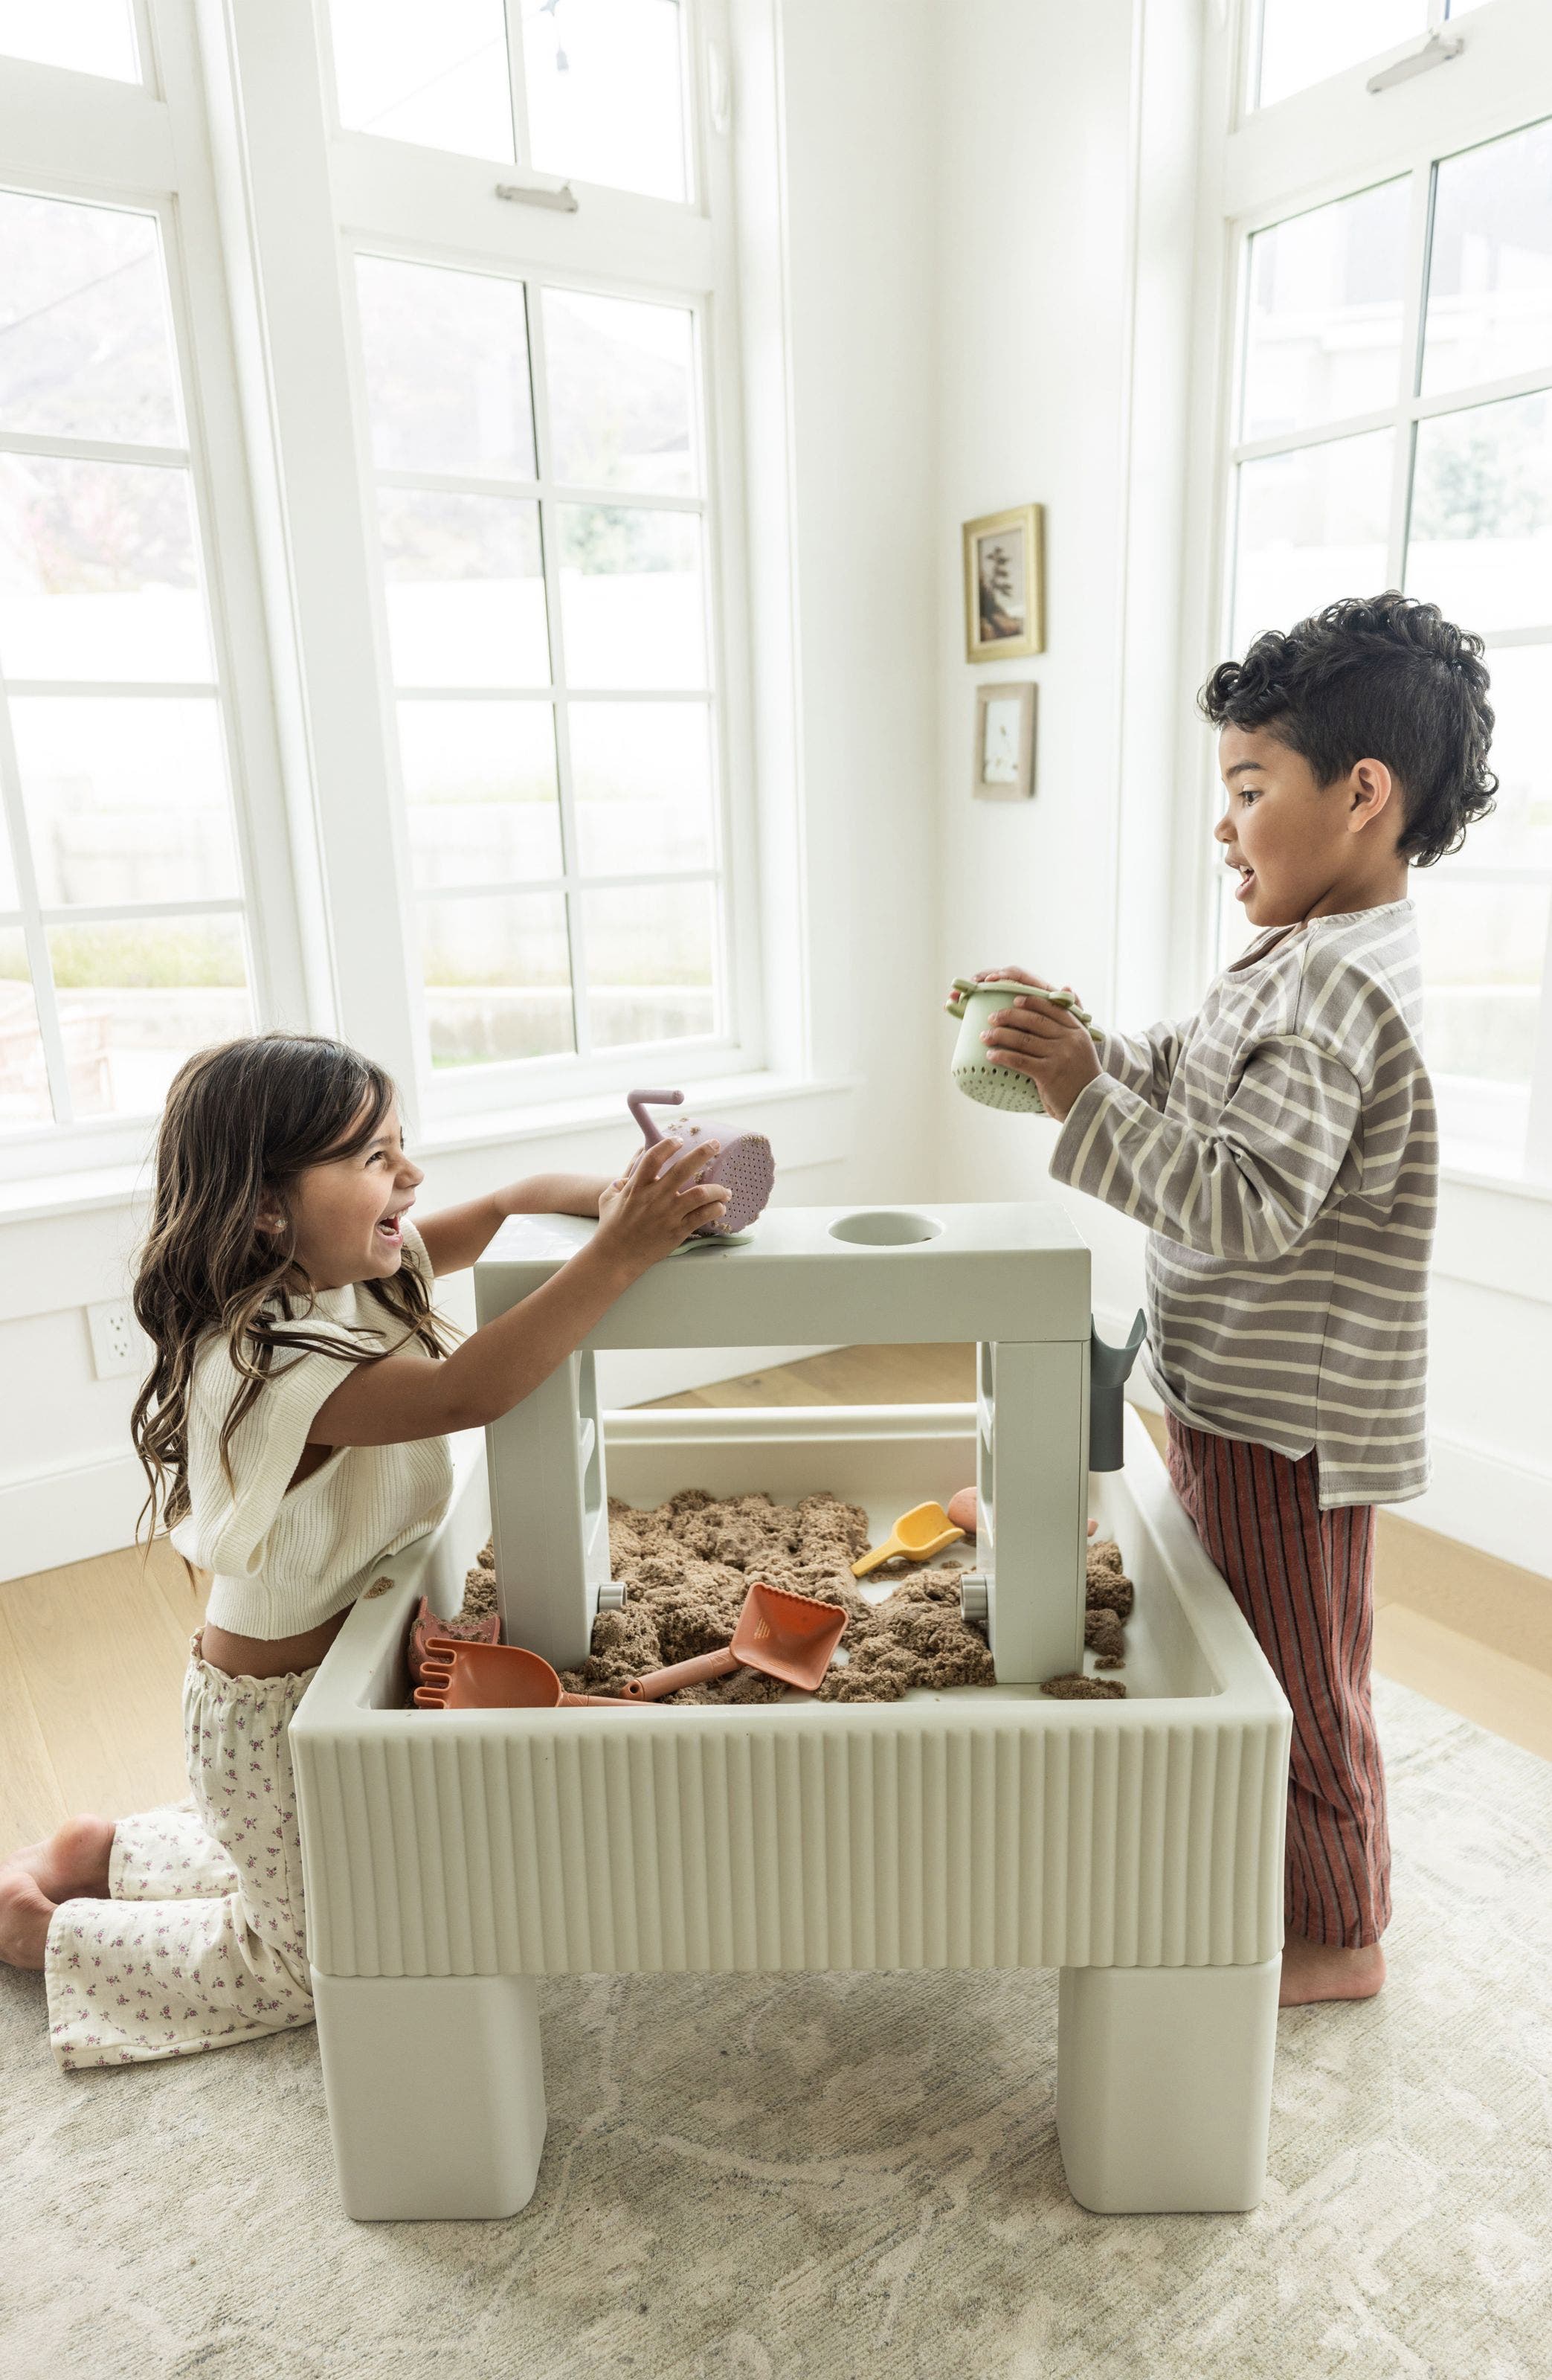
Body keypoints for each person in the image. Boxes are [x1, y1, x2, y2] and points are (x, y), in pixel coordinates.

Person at [961, 591, 1496, 2009]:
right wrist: (1084, 1053)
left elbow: (1248, 1203)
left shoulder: (1336, 993)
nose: (1226, 823)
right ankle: (1267, 1857)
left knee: (1301, 1676)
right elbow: (1196, 1086)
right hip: (1238, 1386)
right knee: (1245, 1633)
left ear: (1363, 794)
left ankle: (1337, 1932)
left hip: (1288, 1410)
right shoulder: (1302, 958)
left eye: (1252, 789)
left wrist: (1080, 1095)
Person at [0, 1033, 728, 2063]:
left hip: (340, 1691)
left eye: (403, 1149)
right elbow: (463, 1391)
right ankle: (47, 1933)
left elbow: (513, 1197)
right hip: (279, 1726)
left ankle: (106, 1849)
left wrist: (620, 1199)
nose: (413, 1179)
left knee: (339, 1871)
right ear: (265, 1204)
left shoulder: (351, 1272)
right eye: (376, 1159)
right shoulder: (267, 1354)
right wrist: (620, 1253)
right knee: (312, 1959)